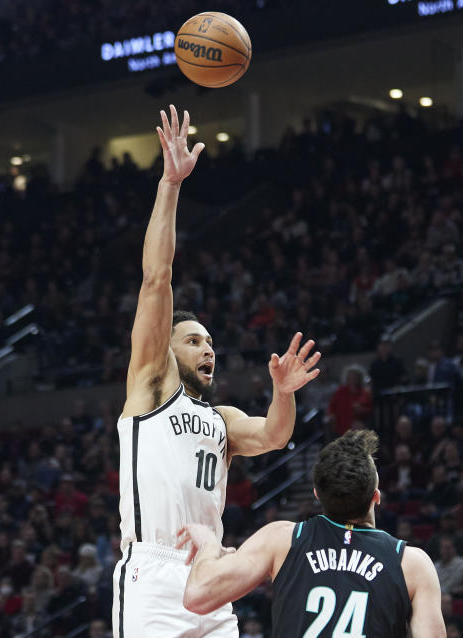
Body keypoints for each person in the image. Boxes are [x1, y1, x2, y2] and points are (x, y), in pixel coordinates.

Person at [114, 106, 323, 638]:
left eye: (211, 343)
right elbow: (156, 279)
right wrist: (170, 184)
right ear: (168, 350)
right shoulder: (149, 386)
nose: (208, 350)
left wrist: (283, 392)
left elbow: (276, 435)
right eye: (194, 340)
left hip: (210, 572)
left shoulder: (222, 419)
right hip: (152, 573)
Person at [176, 430, 445, 637]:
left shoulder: (282, 539)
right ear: (376, 496)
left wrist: (210, 544)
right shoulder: (412, 564)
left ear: (317, 495)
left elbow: (198, 595)